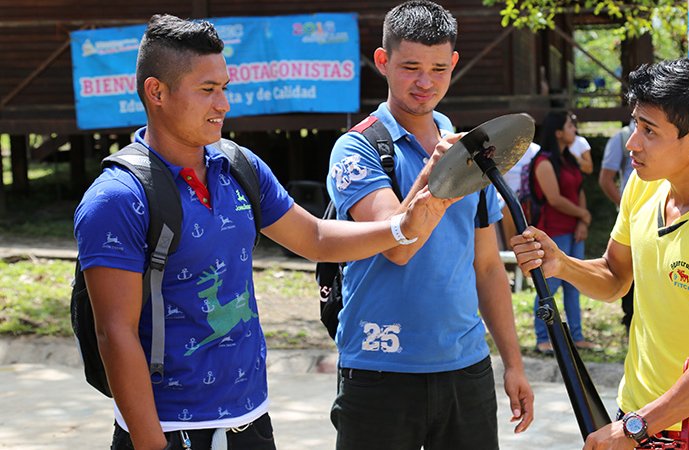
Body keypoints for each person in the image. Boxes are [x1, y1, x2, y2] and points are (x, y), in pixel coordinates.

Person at [74, 14, 454, 450]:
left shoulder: (240, 168)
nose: (223, 104)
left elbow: (315, 238)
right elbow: (114, 333)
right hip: (166, 429)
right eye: (207, 90)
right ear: (156, 92)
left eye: (225, 88)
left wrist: (401, 228)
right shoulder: (117, 198)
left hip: (251, 421)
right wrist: (150, 442)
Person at [512, 58, 689, 450]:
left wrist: (635, 427)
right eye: (636, 124)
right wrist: (561, 264)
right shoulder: (644, 186)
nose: (632, 143)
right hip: (639, 419)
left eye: (649, 130)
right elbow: (615, 277)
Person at [325, 2, 534, 449]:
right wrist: (435, 175)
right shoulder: (357, 149)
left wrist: (513, 363)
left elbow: (488, 267)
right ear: (383, 62)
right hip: (380, 369)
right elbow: (397, 244)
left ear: (454, 64)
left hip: (467, 367)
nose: (425, 81)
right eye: (411, 67)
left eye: (439, 68)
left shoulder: (473, 150)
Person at [530, 110, 594, 354]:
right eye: (570, 126)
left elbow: (579, 190)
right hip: (553, 233)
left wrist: (582, 221)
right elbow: (554, 199)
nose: (574, 130)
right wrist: (582, 214)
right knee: (550, 286)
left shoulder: (570, 159)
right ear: (558, 132)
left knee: (573, 285)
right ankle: (542, 337)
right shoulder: (543, 161)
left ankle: (576, 337)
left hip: (573, 230)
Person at [598, 120, 637, 331]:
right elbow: (606, 179)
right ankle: (629, 316)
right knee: (627, 268)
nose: (634, 144)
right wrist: (626, 206)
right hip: (631, 216)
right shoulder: (620, 138)